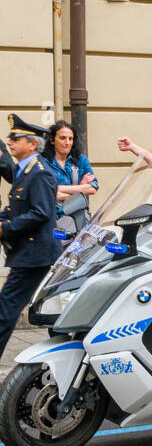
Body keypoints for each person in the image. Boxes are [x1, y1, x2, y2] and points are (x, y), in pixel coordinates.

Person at [0, 115, 58, 359]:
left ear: (32, 144)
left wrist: (6, 228)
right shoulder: (25, 170)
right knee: (50, 309)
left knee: (5, 310)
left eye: (16, 138)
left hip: (35, 255)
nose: (10, 142)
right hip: (31, 254)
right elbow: (18, 208)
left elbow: (41, 213)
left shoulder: (40, 173)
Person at [43, 120, 97, 214]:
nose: (67, 143)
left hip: (77, 217)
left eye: (70, 139)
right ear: (52, 140)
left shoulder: (81, 160)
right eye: (62, 138)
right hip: (51, 217)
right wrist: (80, 188)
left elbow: (93, 188)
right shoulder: (43, 162)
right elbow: (45, 193)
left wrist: (58, 188)